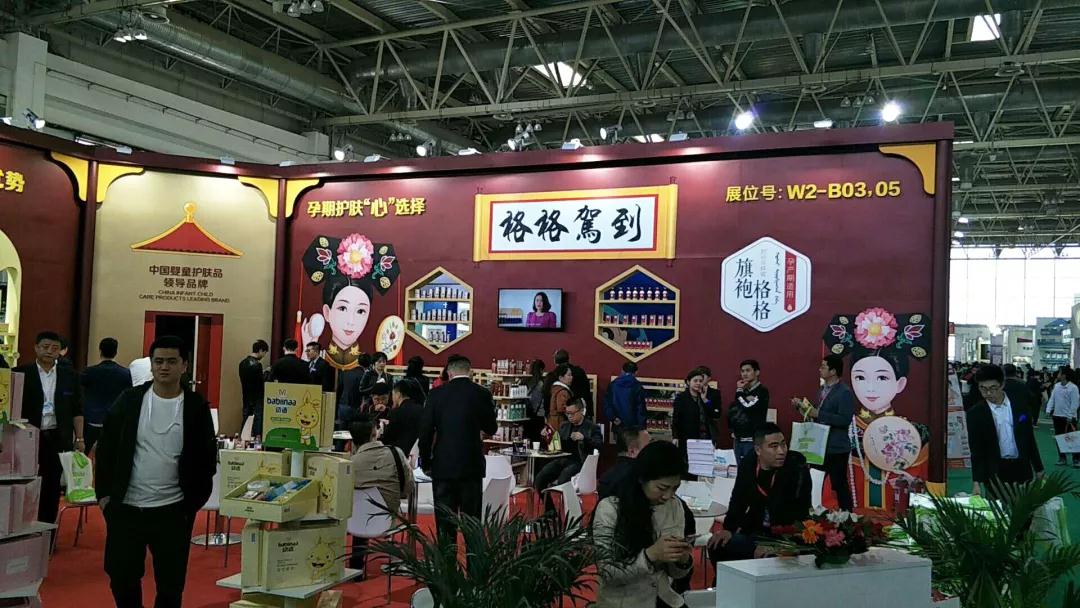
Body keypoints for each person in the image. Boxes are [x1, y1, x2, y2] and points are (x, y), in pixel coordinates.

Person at [95, 335, 216, 608]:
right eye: (158, 361)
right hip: (126, 508)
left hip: (173, 511)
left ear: (184, 365)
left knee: (171, 586)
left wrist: (191, 504)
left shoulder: (196, 407)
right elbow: (106, 448)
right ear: (151, 364)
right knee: (121, 578)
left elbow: (207, 459)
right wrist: (104, 496)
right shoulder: (130, 400)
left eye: (171, 361)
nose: (164, 367)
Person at [592, 441, 692, 608]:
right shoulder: (610, 509)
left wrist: (682, 560)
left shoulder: (674, 506)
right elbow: (607, 572)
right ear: (642, 479)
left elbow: (677, 574)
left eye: (675, 488)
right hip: (623, 602)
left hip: (664, 597)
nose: (668, 496)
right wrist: (650, 556)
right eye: (662, 488)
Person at [418, 355, 497, 544]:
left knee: (445, 527)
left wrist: (426, 462)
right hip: (471, 466)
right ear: (469, 371)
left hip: (443, 466)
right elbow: (491, 428)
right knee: (472, 526)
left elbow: (425, 432)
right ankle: (475, 562)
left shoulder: (436, 394)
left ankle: (446, 562)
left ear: (449, 372)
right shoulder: (481, 393)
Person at [707, 423, 811, 562]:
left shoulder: (797, 468)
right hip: (756, 530)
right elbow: (738, 499)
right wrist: (728, 529)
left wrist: (774, 544)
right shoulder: (748, 463)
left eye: (783, 444)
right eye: (774, 446)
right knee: (717, 544)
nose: (781, 451)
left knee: (769, 557)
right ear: (758, 450)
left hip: (787, 535)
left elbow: (799, 513)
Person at [299, 233, 400, 370]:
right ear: (327, 312)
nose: (351, 321)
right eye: (342, 308)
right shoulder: (320, 359)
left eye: (361, 311)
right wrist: (308, 350)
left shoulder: (368, 364)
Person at [16, 331, 84, 524]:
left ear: (60, 351)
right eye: (45, 347)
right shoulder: (21, 373)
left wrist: (79, 438)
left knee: (52, 484)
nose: (49, 351)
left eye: (55, 348)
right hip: (27, 435)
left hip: (57, 436)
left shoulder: (69, 376)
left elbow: (77, 409)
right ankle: (23, 524)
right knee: (25, 480)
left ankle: (47, 528)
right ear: (36, 348)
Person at [349, 414, 413, 577]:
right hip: (388, 517)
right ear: (374, 432)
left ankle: (356, 566)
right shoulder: (396, 453)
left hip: (353, 522)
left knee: (361, 507)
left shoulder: (349, 464)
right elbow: (408, 487)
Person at [967, 364, 1044, 498]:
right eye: (983, 389)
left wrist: (1039, 468)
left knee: (1023, 508)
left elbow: (1029, 439)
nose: (988, 393)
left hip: (1021, 467)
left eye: (993, 388)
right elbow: (976, 449)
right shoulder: (975, 413)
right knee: (997, 509)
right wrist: (976, 482)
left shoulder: (1020, 406)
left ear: (1002, 385)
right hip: (995, 471)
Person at [791, 354, 854, 511]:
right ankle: (812, 512)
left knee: (839, 484)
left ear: (833, 371)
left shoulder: (844, 392)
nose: (820, 369)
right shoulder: (821, 390)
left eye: (823, 367)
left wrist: (819, 414)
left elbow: (844, 419)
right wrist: (802, 407)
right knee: (812, 479)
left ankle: (848, 515)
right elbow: (815, 415)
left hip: (836, 447)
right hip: (819, 445)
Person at [534, 399, 603, 494]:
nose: (569, 416)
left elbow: (599, 445)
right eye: (567, 413)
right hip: (562, 459)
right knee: (540, 479)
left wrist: (584, 438)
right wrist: (547, 436)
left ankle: (567, 503)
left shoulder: (592, 427)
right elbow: (556, 444)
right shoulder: (564, 426)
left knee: (564, 479)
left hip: (581, 462)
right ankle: (549, 504)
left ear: (581, 411)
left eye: (572, 413)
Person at [81, 338, 132, 454]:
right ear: (116, 352)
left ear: (100, 351)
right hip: (114, 419)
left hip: (92, 418)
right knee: (111, 454)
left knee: (86, 453)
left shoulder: (89, 372)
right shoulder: (125, 373)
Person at [672, 367, 720, 476]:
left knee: (703, 467)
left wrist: (705, 400)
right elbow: (676, 419)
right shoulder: (681, 398)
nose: (698, 383)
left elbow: (714, 414)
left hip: (704, 438)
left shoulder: (704, 397)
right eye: (695, 381)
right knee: (688, 467)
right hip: (687, 438)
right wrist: (675, 436)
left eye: (700, 381)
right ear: (688, 382)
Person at [728, 359, 769, 463]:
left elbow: (748, 407)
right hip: (738, 439)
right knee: (738, 469)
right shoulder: (743, 392)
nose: (744, 374)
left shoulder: (762, 391)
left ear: (757, 372)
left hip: (752, 440)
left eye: (748, 370)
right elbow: (734, 410)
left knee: (751, 469)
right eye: (742, 371)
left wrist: (739, 392)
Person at [598, 426, 652, 500]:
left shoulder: (606, 477)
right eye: (649, 446)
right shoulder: (639, 479)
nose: (653, 450)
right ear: (632, 451)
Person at [605, 361, 647, 449]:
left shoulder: (613, 385)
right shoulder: (638, 387)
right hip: (633, 427)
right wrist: (642, 428)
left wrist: (613, 417)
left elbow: (608, 404)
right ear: (636, 372)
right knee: (633, 450)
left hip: (618, 424)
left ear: (622, 371)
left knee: (620, 449)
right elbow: (641, 409)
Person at [1046, 365, 1080, 468]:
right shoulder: (1056, 386)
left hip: (1069, 418)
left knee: (1072, 439)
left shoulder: (1073, 388)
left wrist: (1070, 416)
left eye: (1060, 372)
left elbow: (1075, 403)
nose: (1058, 374)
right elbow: (1052, 399)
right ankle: (1062, 458)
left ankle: (1076, 460)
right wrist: (1048, 410)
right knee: (1059, 438)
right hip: (1057, 416)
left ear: (1064, 375)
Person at [382, 380, 425, 456]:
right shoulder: (422, 410)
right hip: (417, 453)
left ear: (398, 395)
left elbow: (387, 438)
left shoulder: (396, 412)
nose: (392, 398)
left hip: (399, 454)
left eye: (393, 394)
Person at [238, 339, 269, 436]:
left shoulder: (242, 363)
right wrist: (266, 373)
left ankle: (243, 438)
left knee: (246, 419)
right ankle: (256, 439)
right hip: (257, 397)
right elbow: (260, 382)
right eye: (264, 353)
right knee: (257, 420)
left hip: (246, 395)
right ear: (260, 350)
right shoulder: (257, 365)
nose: (264, 355)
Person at [554, 349, 593, 417]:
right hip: (583, 409)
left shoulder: (556, 375)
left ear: (556, 362)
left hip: (566, 413)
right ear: (568, 359)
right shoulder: (580, 372)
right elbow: (587, 391)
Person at [524, 359, 547, 442]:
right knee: (537, 440)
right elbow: (536, 402)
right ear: (541, 370)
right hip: (537, 415)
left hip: (526, 415)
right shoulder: (540, 383)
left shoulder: (526, 381)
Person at [546, 364, 573, 430]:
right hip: (559, 423)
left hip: (553, 421)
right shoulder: (562, 391)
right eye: (569, 375)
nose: (571, 377)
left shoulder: (556, 388)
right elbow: (561, 408)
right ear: (561, 377)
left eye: (571, 375)